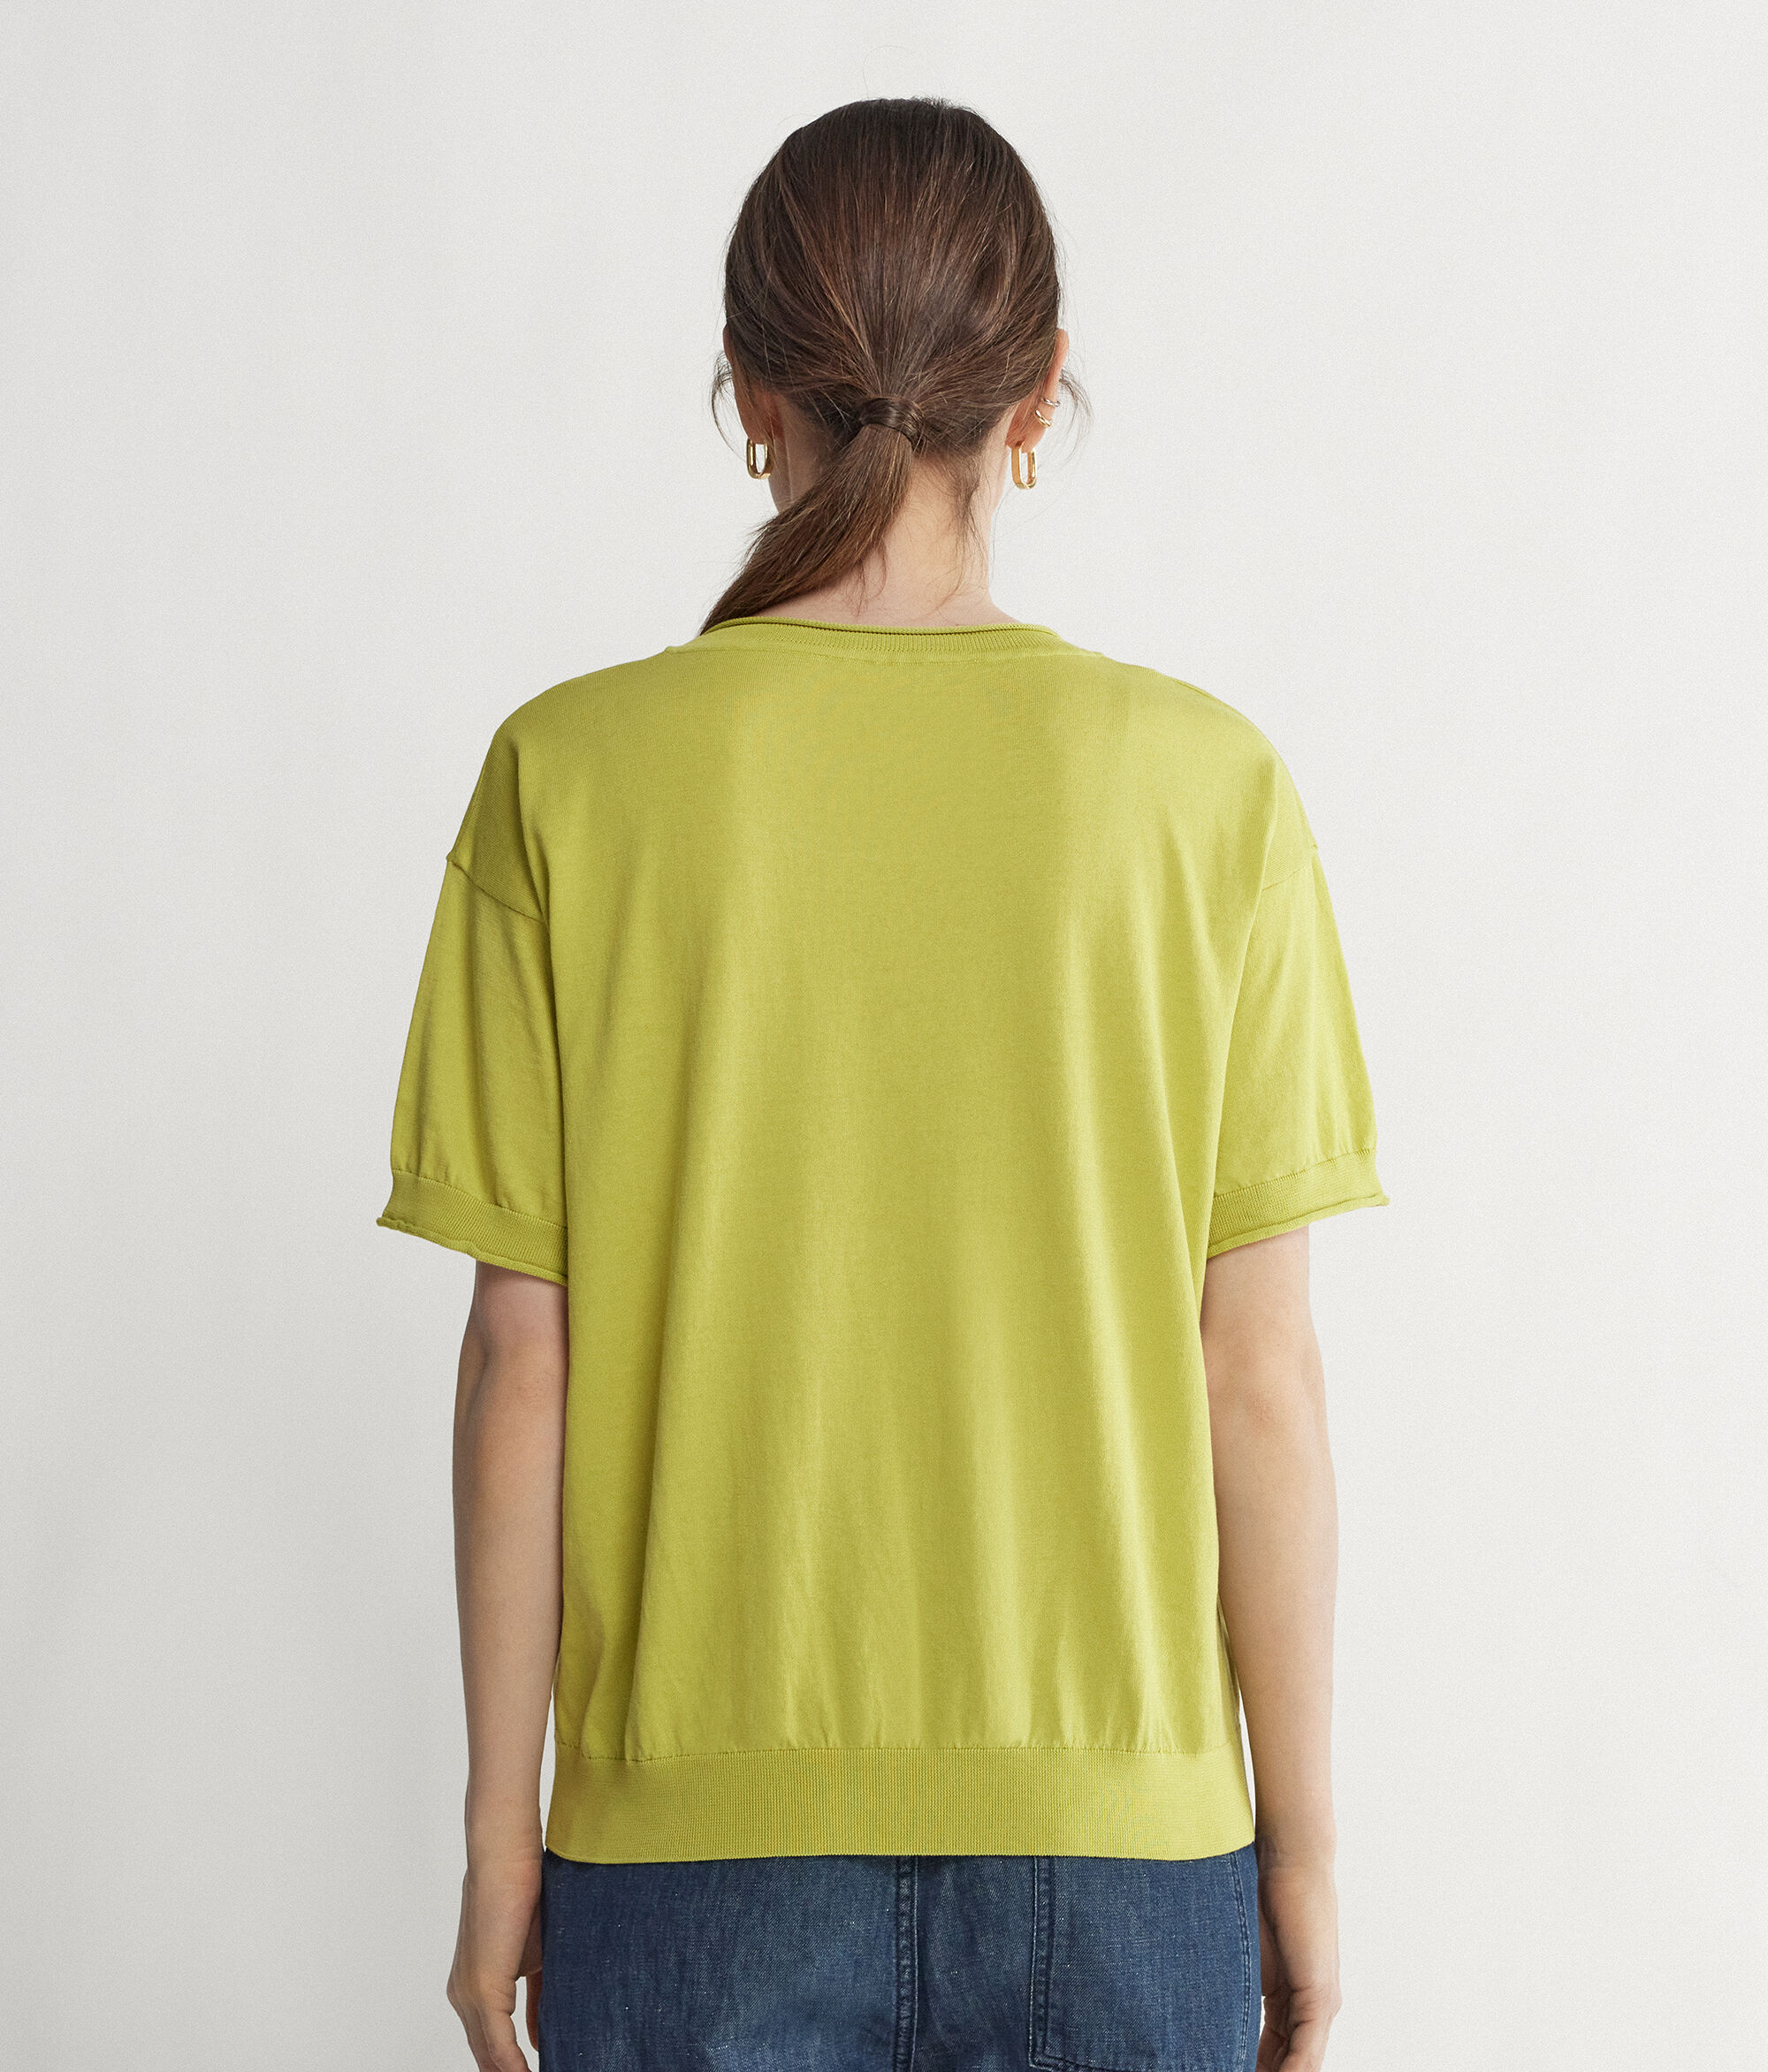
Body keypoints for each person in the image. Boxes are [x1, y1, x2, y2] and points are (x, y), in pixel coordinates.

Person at [377, 95, 1386, 2072]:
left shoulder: (568, 778)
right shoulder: (1207, 793)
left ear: (750, 390)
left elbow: (521, 1357)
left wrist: (501, 1838)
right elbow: (1255, 1372)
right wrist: (1308, 1851)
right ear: (1039, 394)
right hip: (1122, 1852)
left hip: (690, 1858)